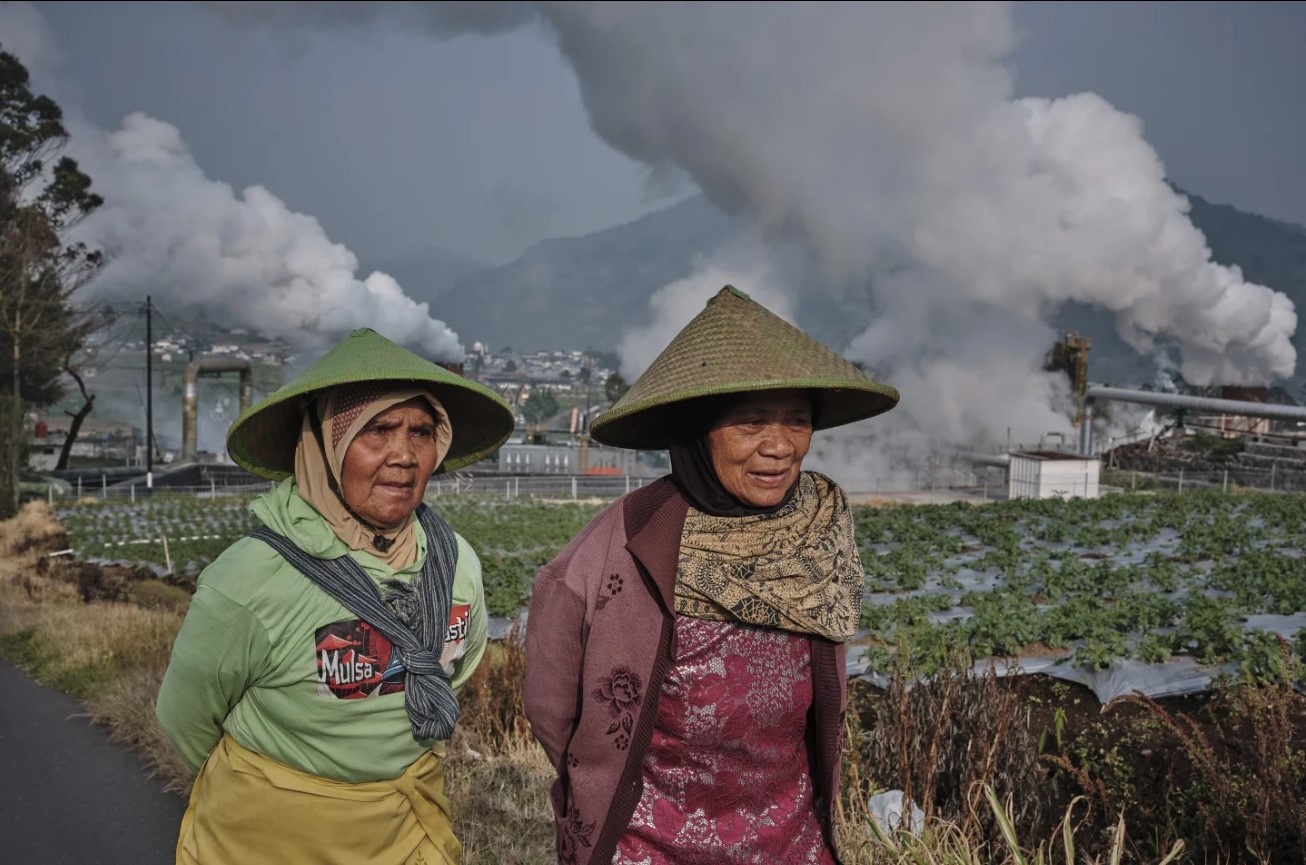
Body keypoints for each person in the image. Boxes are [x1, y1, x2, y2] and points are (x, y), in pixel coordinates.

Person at [523, 285, 900, 865]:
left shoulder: (818, 529)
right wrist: (603, 778)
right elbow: (552, 708)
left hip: (789, 843)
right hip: (648, 847)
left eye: (798, 420)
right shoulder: (621, 545)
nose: (779, 446)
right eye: (751, 422)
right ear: (698, 430)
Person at [155, 327, 515, 865]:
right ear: (325, 445)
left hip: (407, 831)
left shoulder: (455, 563)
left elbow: (451, 673)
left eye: (421, 432)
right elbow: (185, 717)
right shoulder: (252, 577)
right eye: (378, 430)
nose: (404, 455)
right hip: (271, 842)